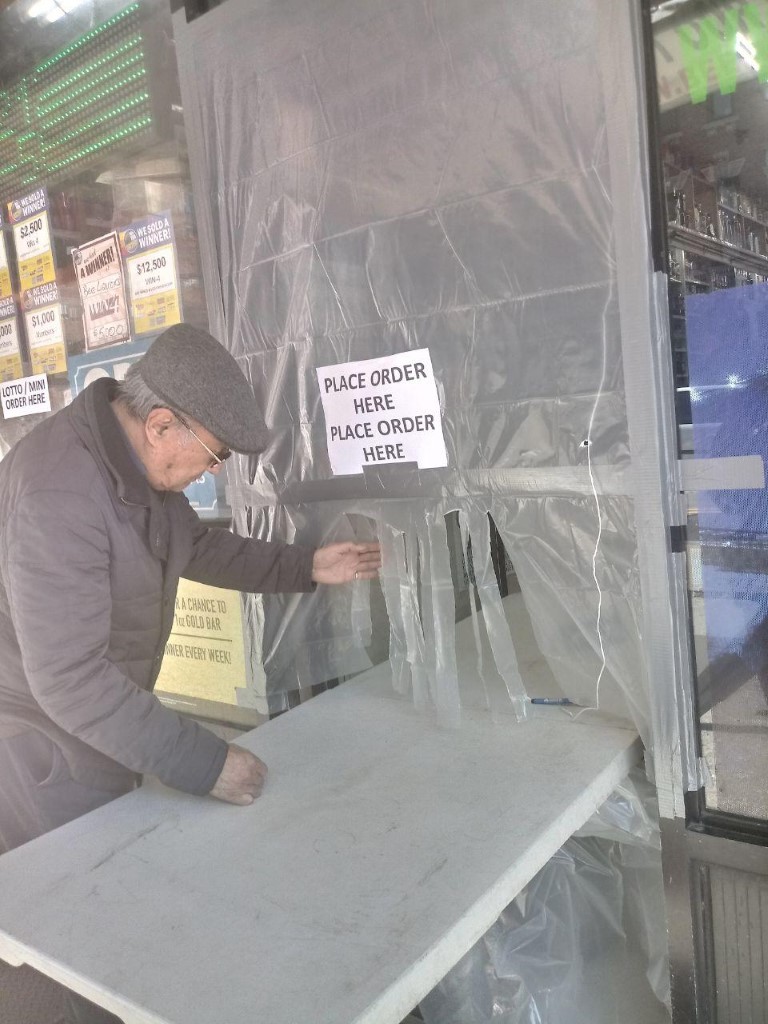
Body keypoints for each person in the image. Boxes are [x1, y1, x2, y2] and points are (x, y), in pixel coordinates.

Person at [0, 323, 380, 1020]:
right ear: (161, 423)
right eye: (214, 457)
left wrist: (304, 567)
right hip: (41, 743)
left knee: (111, 914)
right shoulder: (60, 492)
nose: (213, 474)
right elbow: (69, 680)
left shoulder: (132, 471)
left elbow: (194, 546)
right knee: (72, 937)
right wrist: (205, 763)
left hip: (93, 723)